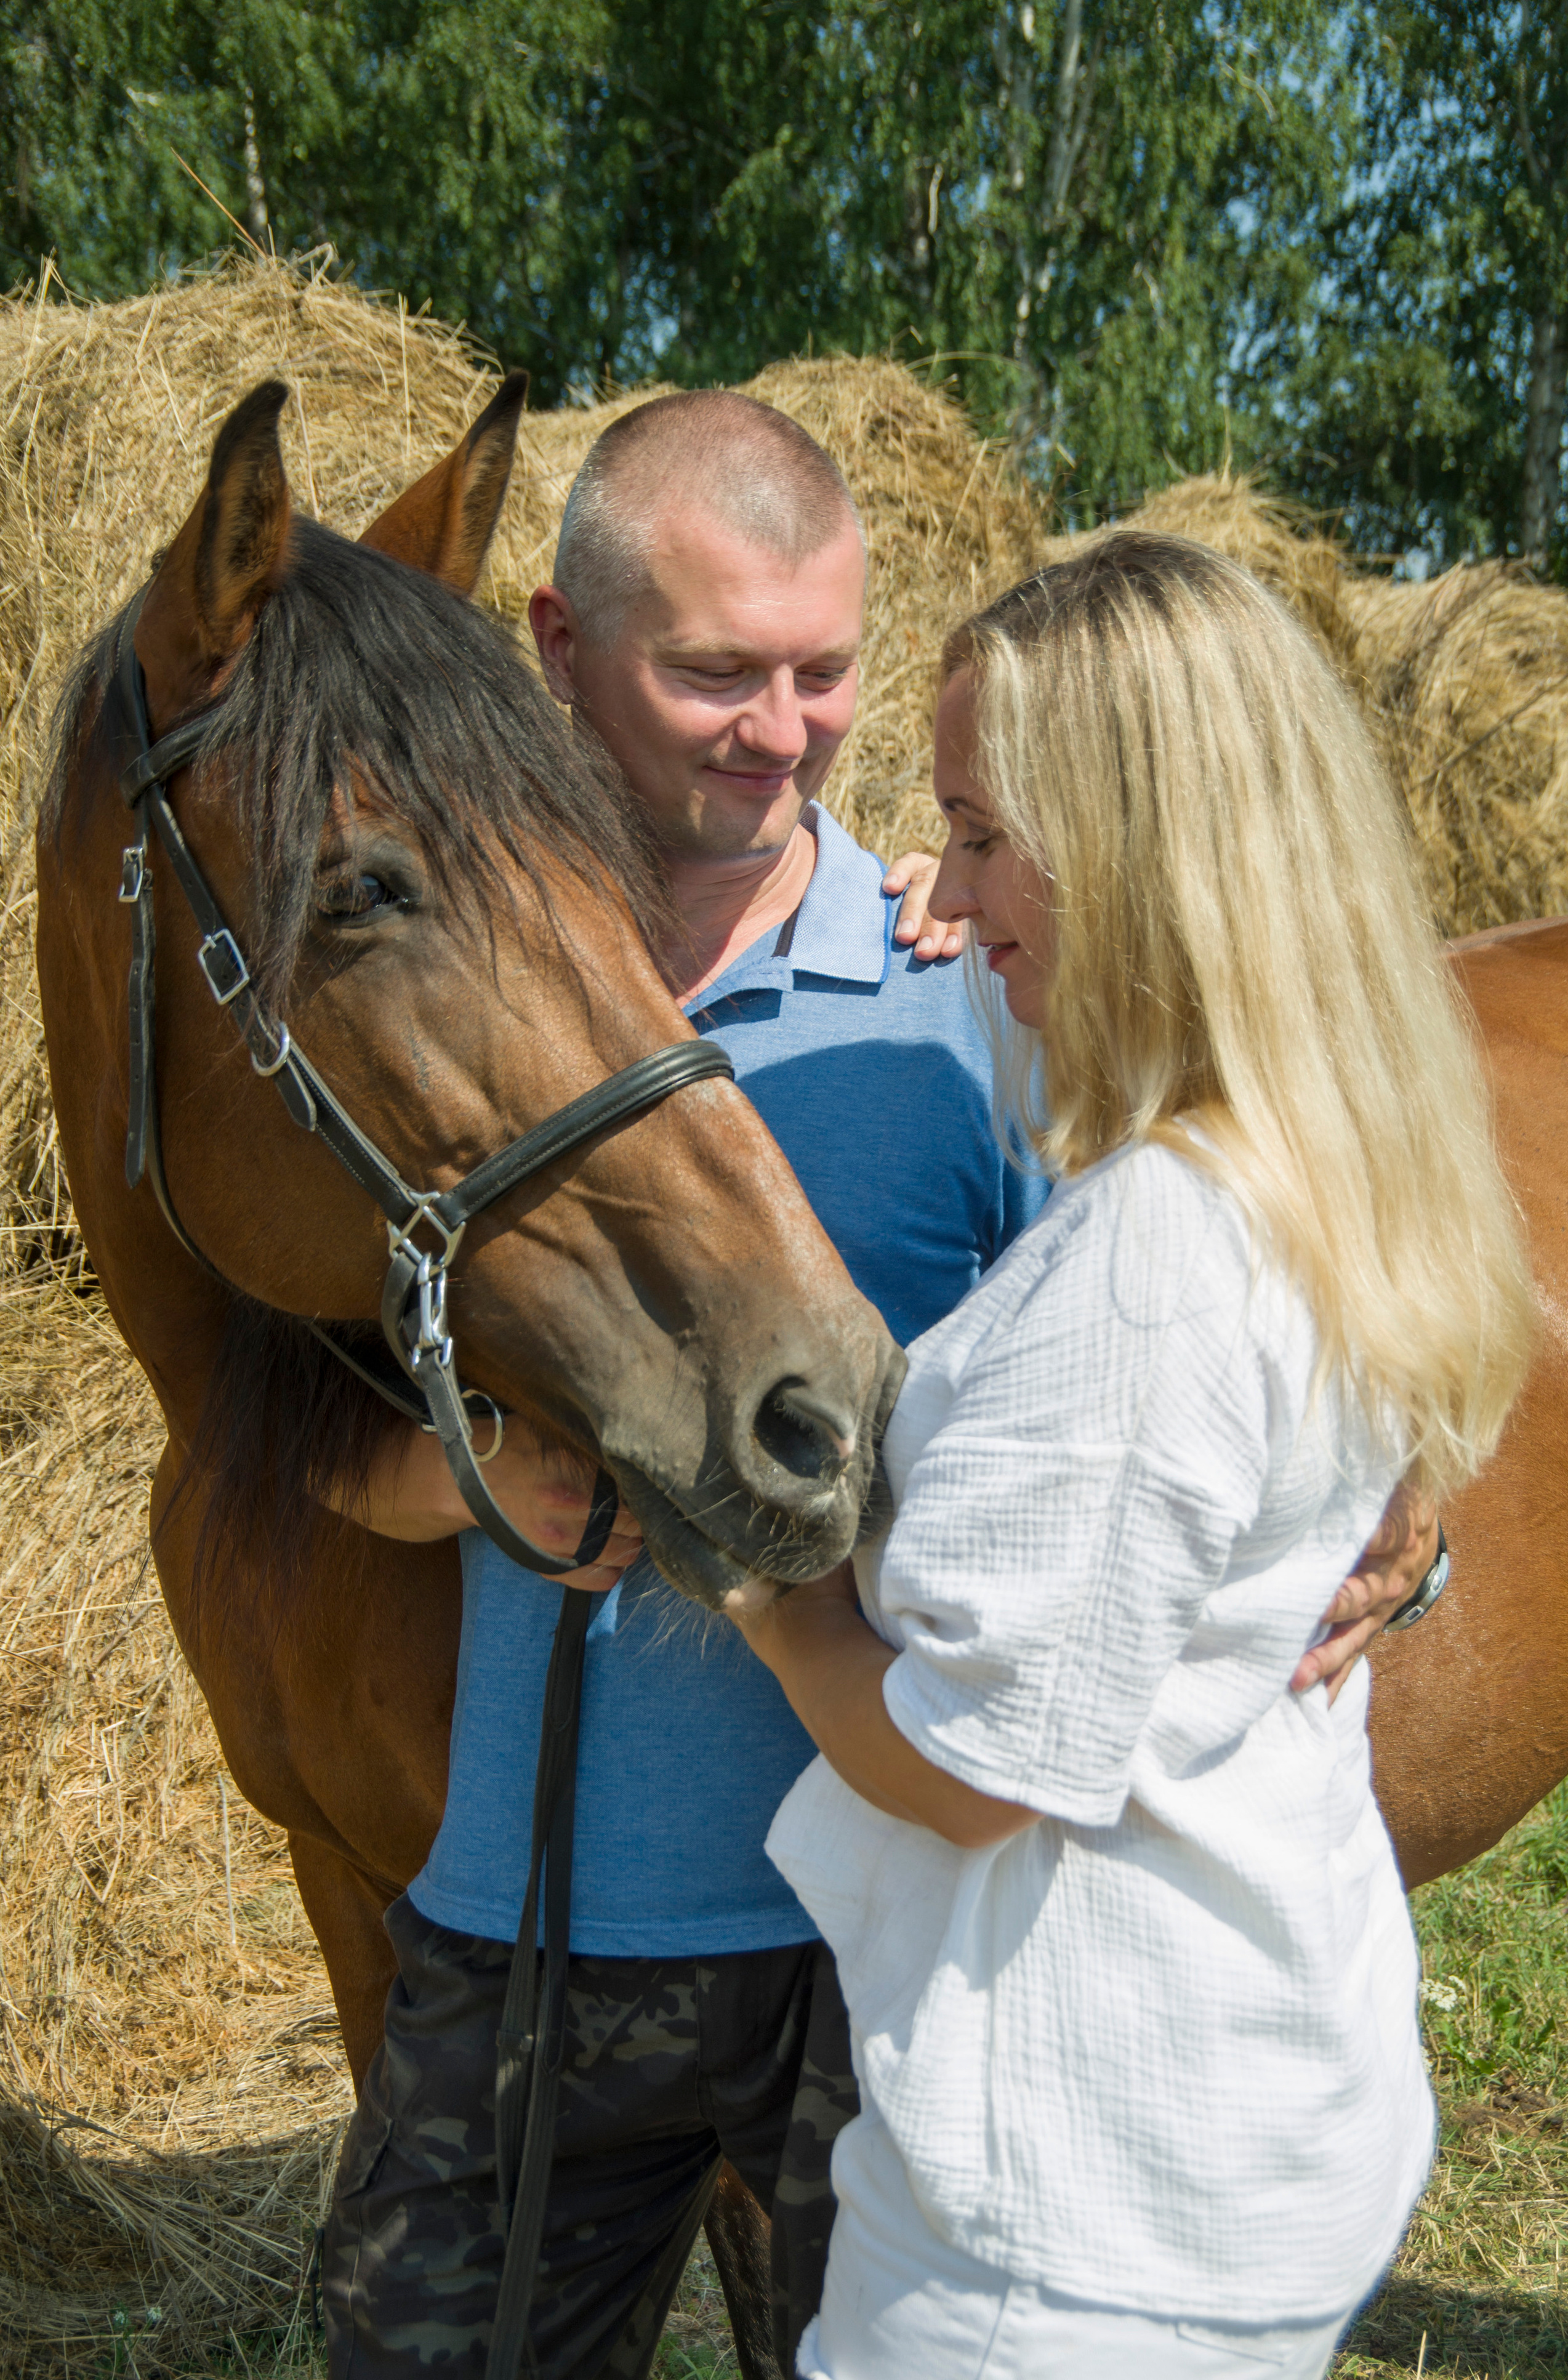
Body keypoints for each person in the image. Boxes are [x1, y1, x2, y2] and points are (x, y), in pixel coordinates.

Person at [321, 408, 1439, 2380]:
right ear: (555, 649)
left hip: (878, 1968)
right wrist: (457, 1480)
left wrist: (1407, 1503)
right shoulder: (419, 977)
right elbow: (282, 1413)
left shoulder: (984, 987)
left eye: (825, 672)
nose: (783, 731)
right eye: (714, 673)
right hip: (527, 1930)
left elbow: (1282, 1284)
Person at [731, 531, 1534, 2380]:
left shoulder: (1156, 1257)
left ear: (1145, 851)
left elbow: (973, 1768)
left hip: (1073, 2233)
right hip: (1245, 2111)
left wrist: (766, 1590)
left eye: (989, 831)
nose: (949, 881)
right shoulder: (1323, 1153)